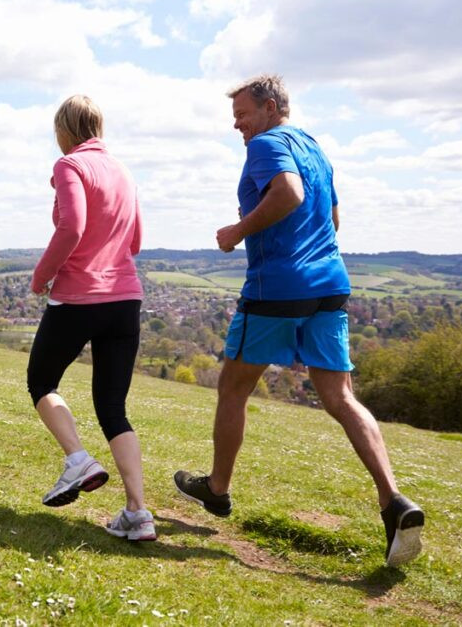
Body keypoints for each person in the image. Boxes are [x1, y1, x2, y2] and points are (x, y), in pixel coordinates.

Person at [172, 74, 425, 566]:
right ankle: (394, 501)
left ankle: (218, 489)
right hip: (329, 285)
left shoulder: (267, 144)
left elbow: (287, 193)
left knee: (232, 388)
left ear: (270, 107)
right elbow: (332, 219)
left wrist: (238, 231)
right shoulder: (314, 147)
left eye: (242, 115)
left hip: (277, 288)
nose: (238, 126)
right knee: (341, 397)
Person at [27, 95, 154, 542]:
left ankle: (78, 460)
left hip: (80, 298)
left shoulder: (69, 166)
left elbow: (73, 227)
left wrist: (42, 276)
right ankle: (138, 514)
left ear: (64, 129)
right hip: (125, 301)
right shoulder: (123, 170)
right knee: (113, 407)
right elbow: (135, 240)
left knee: (42, 381)